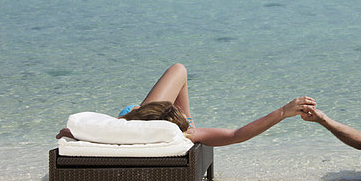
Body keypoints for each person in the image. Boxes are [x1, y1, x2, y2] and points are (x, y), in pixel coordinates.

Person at [56, 63, 316, 147]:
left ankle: (158, 113)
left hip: (141, 118)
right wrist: (283, 112)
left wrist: (74, 136)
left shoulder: (120, 127)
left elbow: (91, 131)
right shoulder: (186, 133)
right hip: (153, 119)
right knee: (180, 69)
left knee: (179, 70)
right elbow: (238, 135)